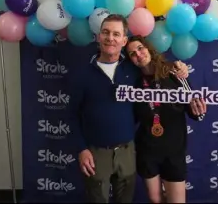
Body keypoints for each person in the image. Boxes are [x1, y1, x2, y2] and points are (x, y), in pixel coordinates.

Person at [68, 14, 190, 203]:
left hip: (128, 151)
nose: (110, 38)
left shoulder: (132, 69)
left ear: (123, 40)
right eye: (106, 32)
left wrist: (178, 66)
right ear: (99, 36)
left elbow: (155, 68)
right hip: (95, 153)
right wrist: (81, 149)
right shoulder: (82, 73)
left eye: (116, 34)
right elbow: (71, 114)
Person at [124, 35, 207, 203]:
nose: (139, 55)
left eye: (140, 48)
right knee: (155, 200)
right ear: (131, 60)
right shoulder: (135, 83)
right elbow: (131, 116)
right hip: (148, 151)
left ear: (148, 48)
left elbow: (193, 109)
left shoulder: (174, 71)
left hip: (173, 151)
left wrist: (199, 112)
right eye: (132, 54)